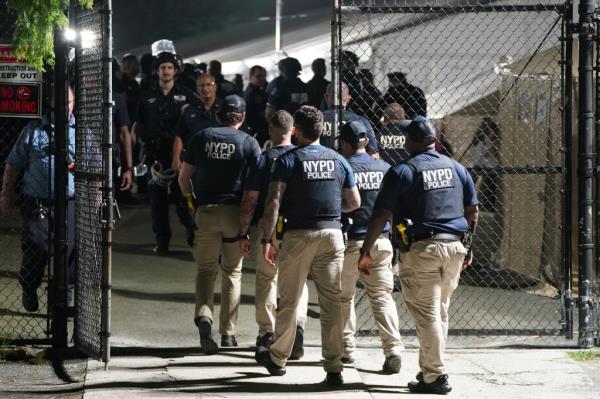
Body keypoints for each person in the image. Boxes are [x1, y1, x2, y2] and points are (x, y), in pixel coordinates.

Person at [358, 116, 479, 394]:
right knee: (439, 312)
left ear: (410, 141)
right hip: (455, 248)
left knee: (427, 315)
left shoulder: (402, 171)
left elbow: (381, 214)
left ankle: (436, 376)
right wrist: (468, 247)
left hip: (422, 249)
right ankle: (429, 370)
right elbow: (472, 211)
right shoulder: (457, 168)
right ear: (434, 140)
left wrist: (366, 250)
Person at [255, 105, 361, 387]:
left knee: (289, 299)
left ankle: (278, 359)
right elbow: (354, 202)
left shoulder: (288, 161)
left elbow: (273, 203)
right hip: (332, 234)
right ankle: (334, 366)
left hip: (299, 235)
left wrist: (267, 239)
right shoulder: (338, 160)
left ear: (297, 131)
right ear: (322, 131)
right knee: (332, 302)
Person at [178, 95, 261, 354]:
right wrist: (249, 224)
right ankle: (229, 334)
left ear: (218, 114)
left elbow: (183, 178)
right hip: (235, 213)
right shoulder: (249, 142)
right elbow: (254, 188)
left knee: (205, 271)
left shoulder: (201, 137)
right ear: (243, 117)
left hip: (207, 210)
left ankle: (204, 317)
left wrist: (193, 205)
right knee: (233, 272)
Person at [238, 110, 309, 358]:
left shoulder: (263, 159)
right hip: (298, 227)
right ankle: (297, 327)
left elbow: (250, 199)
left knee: (268, 278)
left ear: (270, 131)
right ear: (293, 131)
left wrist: (243, 232)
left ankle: (268, 332)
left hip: (269, 228)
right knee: (296, 281)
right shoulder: (301, 157)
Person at [0, 87, 77, 312]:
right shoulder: (33, 131)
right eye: (61, 103)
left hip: (69, 201)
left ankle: (62, 297)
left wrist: (97, 195)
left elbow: (94, 164)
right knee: (36, 246)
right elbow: (13, 164)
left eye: (69, 102)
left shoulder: (80, 132)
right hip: (38, 201)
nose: (66, 107)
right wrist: (6, 193)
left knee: (69, 250)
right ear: (50, 105)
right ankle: (29, 285)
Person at [338, 121, 404, 373]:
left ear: (345, 144)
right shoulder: (386, 168)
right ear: (366, 141)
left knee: (344, 296)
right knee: (381, 296)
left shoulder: (344, 166)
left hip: (352, 241)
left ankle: (347, 349)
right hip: (382, 241)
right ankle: (393, 349)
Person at [132, 51, 201, 254]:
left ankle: (193, 233)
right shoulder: (147, 95)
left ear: (175, 71)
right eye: (163, 67)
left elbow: (194, 123)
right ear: (157, 70)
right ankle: (162, 242)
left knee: (184, 199)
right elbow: (138, 124)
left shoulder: (187, 95)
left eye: (170, 67)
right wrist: (137, 152)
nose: (166, 71)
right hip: (155, 156)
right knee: (157, 204)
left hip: (181, 155)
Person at [173, 73, 222, 165]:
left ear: (215, 87)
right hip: (194, 162)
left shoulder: (225, 108)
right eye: (201, 85)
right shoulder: (189, 110)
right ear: (197, 89)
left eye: (209, 85)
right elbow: (179, 135)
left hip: (220, 161)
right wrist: (176, 159)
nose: (205, 89)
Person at [321, 82, 379, 156]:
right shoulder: (360, 121)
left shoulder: (317, 119)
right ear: (348, 99)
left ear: (326, 97)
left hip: (324, 164)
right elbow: (374, 153)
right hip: (352, 165)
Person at [471, 117, 500, 211]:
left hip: (489, 166)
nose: (493, 132)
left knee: (488, 186)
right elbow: (486, 153)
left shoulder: (491, 139)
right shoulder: (481, 138)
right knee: (473, 182)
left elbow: (490, 152)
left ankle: (487, 205)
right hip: (480, 164)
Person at [243, 65, 269, 147]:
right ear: (251, 76)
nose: (262, 79)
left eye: (263, 76)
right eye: (258, 76)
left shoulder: (253, 90)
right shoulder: (254, 92)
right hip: (256, 131)